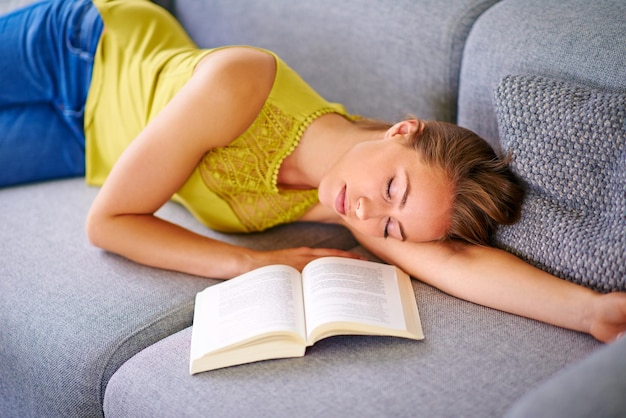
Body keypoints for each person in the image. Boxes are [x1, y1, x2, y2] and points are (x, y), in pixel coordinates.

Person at [1, 0, 625, 343]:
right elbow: (110, 222)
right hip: (83, 49)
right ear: (402, 129)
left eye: (395, 228)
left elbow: (460, 265)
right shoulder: (239, 81)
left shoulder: (367, 211)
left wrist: (588, 311)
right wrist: (249, 263)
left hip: (80, 144)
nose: (369, 215)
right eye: (392, 189)